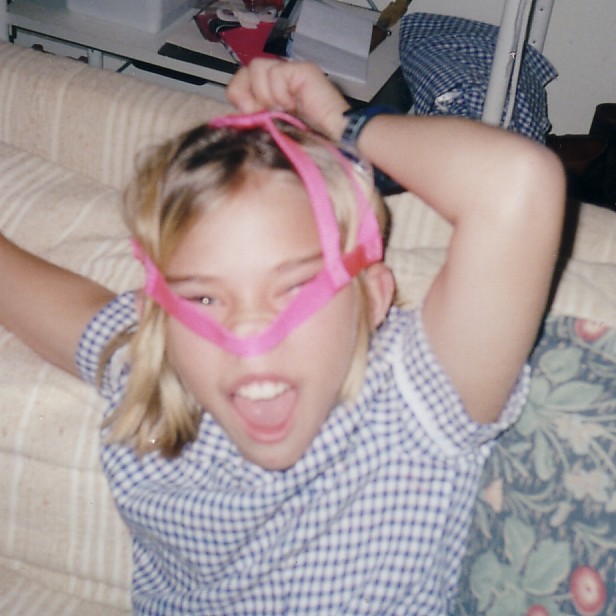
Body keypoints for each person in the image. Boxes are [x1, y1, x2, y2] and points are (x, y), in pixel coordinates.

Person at [0, 59, 565, 614]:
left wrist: (343, 124)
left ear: (372, 298)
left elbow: (517, 185)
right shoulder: (156, 383)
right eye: (204, 298)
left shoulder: (411, 405)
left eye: (295, 287)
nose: (248, 333)